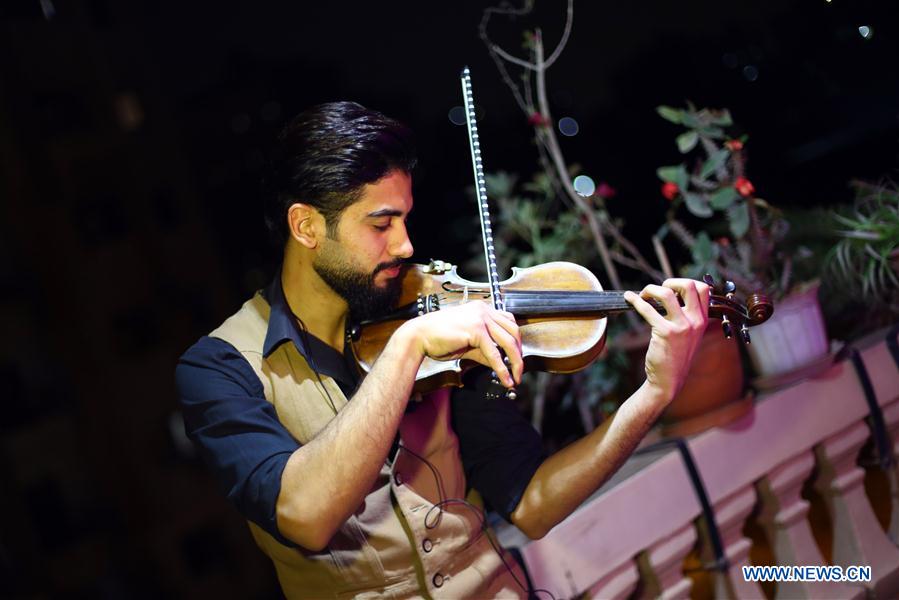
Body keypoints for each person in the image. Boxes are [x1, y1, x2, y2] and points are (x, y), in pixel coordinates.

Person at [175, 101, 710, 599]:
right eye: (381, 223)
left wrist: (654, 394)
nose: (406, 245)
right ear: (306, 226)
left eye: (404, 220)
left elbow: (532, 502)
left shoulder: (429, 307)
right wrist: (407, 347)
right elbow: (305, 513)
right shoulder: (219, 369)